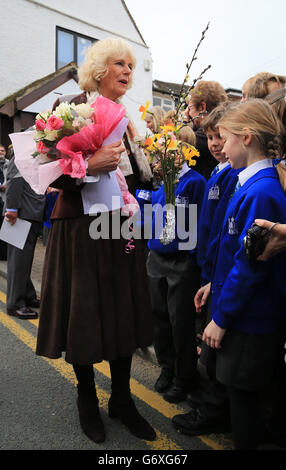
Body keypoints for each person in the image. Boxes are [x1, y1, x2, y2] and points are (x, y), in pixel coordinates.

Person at [35, 37, 156, 444]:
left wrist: (156, 162)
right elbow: (46, 174)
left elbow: (141, 179)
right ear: (101, 69)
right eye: (119, 64)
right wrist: (90, 164)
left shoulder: (126, 118)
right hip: (78, 227)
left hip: (118, 226)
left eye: (131, 66)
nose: (127, 71)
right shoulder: (69, 108)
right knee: (83, 312)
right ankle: (87, 398)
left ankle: (121, 400)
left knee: (123, 308)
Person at [198, 99, 286, 449]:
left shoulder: (262, 191)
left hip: (249, 320)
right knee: (239, 398)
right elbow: (230, 248)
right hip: (240, 312)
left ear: (247, 137)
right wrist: (212, 288)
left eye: (226, 137)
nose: (221, 147)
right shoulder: (249, 183)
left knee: (244, 406)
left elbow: (250, 266)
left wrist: (221, 317)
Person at [143, 128, 206, 403]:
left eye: (170, 150)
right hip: (157, 258)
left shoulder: (194, 182)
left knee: (180, 322)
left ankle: (185, 375)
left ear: (185, 150)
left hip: (181, 261)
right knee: (159, 319)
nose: (165, 155)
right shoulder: (162, 184)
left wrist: (193, 260)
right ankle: (167, 368)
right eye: (161, 151)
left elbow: (198, 224)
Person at [5, 151, 45, 319]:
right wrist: (11, 209)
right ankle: (15, 304)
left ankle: (27, 295)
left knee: (24, 260)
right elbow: (13, 181)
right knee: (18, 261)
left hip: (29, 212)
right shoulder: (23, 151)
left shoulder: (32, 152)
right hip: (19, 214)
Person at [185, 80, 228, 180]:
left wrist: (184, 123)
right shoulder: (226, 127)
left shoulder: (202, 137)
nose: (187, 113)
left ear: (202, 107)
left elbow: (179, 144)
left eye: (190, 108)